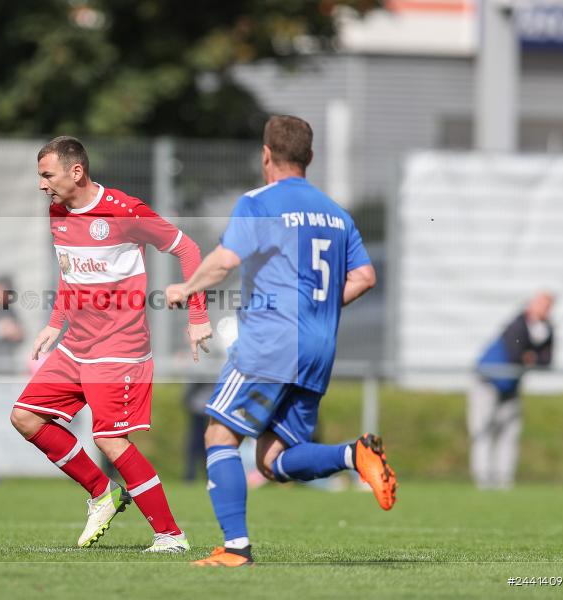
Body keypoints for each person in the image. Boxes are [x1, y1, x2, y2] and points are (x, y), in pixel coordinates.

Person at [166, 115, 396, 567]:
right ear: (309, 158)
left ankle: (235, 549)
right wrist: (321, 308)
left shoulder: (259, 202)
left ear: (265, 155)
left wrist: (186, 288)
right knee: (273, 459)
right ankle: (355, 454)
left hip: (272, 339)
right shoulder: (336, 213)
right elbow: (365, 276)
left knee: (219, 432)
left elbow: (225, 260)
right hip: (318, 344)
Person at [9, 136, 213, 553]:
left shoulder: (124, 211)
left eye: (47, 175)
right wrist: (54, 324)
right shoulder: (57, 212)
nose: (41, 184)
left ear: (76, 172)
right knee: (25, 417)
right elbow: (70, 274)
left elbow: (188, 249)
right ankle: (103, 492)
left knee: (110, 440)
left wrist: (197, 317)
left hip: (119, 347)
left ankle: (170, 536)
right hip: (75, 346)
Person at [469, 292, 554, 490]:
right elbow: (516, 353)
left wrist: (532, 355)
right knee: (482, 429)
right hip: (488, 381)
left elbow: (546, 360)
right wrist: (531, 355)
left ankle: (504, 479)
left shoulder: (547, 329)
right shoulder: (518, 323)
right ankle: (483, 479)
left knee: (509, 433)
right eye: (541, 304)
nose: (544, 310)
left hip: (511, 386)